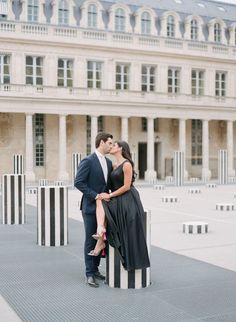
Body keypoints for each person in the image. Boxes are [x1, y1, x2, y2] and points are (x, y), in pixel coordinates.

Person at [90, 140, 150, 271]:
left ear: (121, 148)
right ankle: (101, 233)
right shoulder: (114, 164)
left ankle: (100, 239)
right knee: (99, 199)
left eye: (114, 145)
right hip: (117, 198)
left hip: (128, 199)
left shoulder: (126, 164)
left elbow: (127, 187)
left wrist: (109, 196)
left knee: (102, 200)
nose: (111, 147)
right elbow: (111, 185)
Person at [74, 132, 113, 288]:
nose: (111, 146)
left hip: (105, 209)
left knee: (101, 239)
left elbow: (108, 186)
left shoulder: (109, 163)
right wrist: (95, 196)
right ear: (102, 142)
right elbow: (78, 182)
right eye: (109, 143)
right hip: (90, 207)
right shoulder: (88, 161)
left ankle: (96, 270)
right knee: (91, 239)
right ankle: (89, 274)